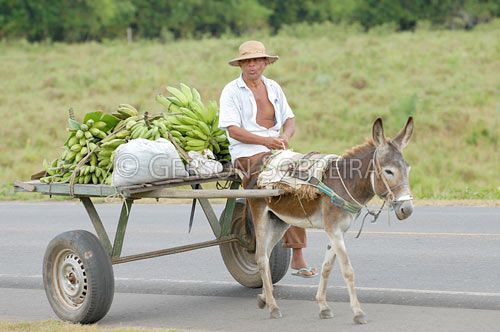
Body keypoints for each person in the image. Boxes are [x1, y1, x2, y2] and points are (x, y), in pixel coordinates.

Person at [218, 40, 317, 278]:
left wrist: (284, 136)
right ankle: (292, 253)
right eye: (247, 61)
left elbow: (290, 120)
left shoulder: (273, 87)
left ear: (265, 63)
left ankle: (297, 252)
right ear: (241, 65)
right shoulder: (232, 91)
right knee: (282, 183)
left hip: (275, 151)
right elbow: (232, 130)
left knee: (302, 178)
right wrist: (265, 142)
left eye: (256, 60)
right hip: (247, 154)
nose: (252, 65)